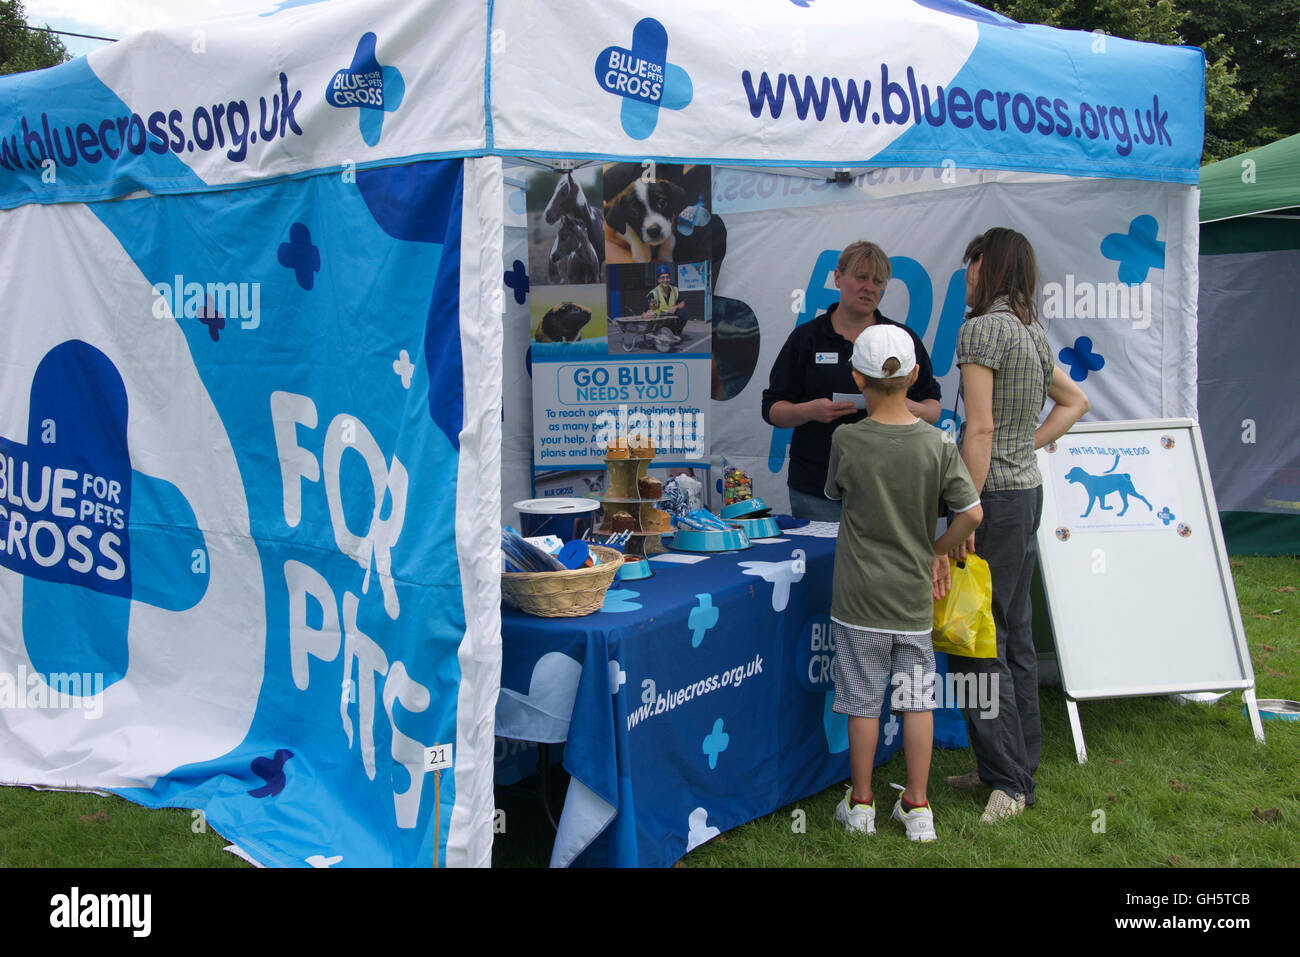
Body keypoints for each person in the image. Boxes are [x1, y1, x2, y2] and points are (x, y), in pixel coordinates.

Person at [946, 227, 1089, 824]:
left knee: (978, 641)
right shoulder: (1032, 332)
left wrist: (966, 507)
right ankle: (1013, 767)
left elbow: (977, 431)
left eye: (971, 263)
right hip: (1024, 491)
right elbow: (1076, 402)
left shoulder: (982, 330)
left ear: (988, 263)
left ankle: (1007, 781)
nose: (967, 274)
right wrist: (1023, 448)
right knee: (1015, 636)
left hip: (992, 501)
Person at [825, 324, 982, 842]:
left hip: (857, 598)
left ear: (856, 377)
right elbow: (972, 514)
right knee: (918, 700)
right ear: (916, 376)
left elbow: (836, 494)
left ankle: (863, 803)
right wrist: (938, 550)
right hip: (913, 597)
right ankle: (917, 807)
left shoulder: (845, 439)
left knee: (863, 702)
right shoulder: (938, 443)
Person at [762, 241, 942, 521]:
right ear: (837, 278)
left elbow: (933, 408)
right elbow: (772, 409)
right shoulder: (807, 338)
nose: (869, 287)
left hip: (888, 490)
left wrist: (903, 406)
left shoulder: (900, 339)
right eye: (861, 277)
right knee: (823, 564)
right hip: (815, 489)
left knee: (882, 566)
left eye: (878, 281)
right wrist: (809, 411)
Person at [643, 264, 688, 337]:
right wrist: (650, 314)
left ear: (670, 278)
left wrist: (676, 307)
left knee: (683, 313)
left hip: (670, 318)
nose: (665, 280)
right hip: (660, 320)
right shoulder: (655, 294)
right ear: (658, 280)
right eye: (662, 278)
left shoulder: (674, 290)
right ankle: (660, 332)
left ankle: (676, 332)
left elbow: (682, 303)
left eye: (667, 277)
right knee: (654, 318)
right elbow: (646, 314)